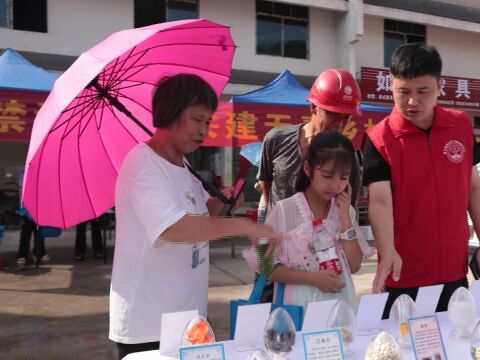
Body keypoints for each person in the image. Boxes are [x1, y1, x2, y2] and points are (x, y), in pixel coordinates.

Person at [109, 73, 282, 359]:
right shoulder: (143, 164)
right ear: (171, 113)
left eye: (208, 122)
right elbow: (174, 228)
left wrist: (221, 201)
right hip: (150, 322)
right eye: (197, 120)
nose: (204, 130)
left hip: (190, 317)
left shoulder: (182, 163)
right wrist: (242, 225)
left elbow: (202, 215)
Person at [363, 43, 480, 318]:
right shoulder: (380, 138)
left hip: (453, 269)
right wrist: (387, 251)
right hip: (404, 272)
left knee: (458, 340)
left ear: (440, 86)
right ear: (391, 86)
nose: (412, 101)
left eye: (423, 92)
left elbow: (473, 187)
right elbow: (380, 202)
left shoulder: (460, 125)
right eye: (403, 92)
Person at [256, 68, 363, 302]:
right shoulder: (276, 139)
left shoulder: (348, 159)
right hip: (282, 254)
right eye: (334, 113)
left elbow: (353, 257)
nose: (341, 122)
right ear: (313, 108)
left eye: (347, 116)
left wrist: (344, 223)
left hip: (330, 279)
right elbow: (266, 184)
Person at [267, 130, 373, 311]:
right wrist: (313, 279)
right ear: (308, 169)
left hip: (339, 304)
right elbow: (266, 266)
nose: (335, 184)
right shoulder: (285, 210)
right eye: (327, 175)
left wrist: (346, 219)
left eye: (343, 177)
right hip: (297, 305)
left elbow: (354, 265)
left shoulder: (345, 211)